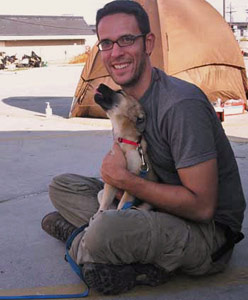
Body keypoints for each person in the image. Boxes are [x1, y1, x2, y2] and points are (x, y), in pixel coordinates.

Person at [41, 0, 246, 295]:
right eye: (107, 43)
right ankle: (108, 244)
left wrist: (124, 180)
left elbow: (202, 208)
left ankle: (83, 241)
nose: (116, 53)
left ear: (148, 43)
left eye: (126, 40)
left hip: (207, 234)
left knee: (105, 231)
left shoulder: (180, 105)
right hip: (152, 203)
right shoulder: (125, 102)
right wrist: (121, 180)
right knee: (61, 187)